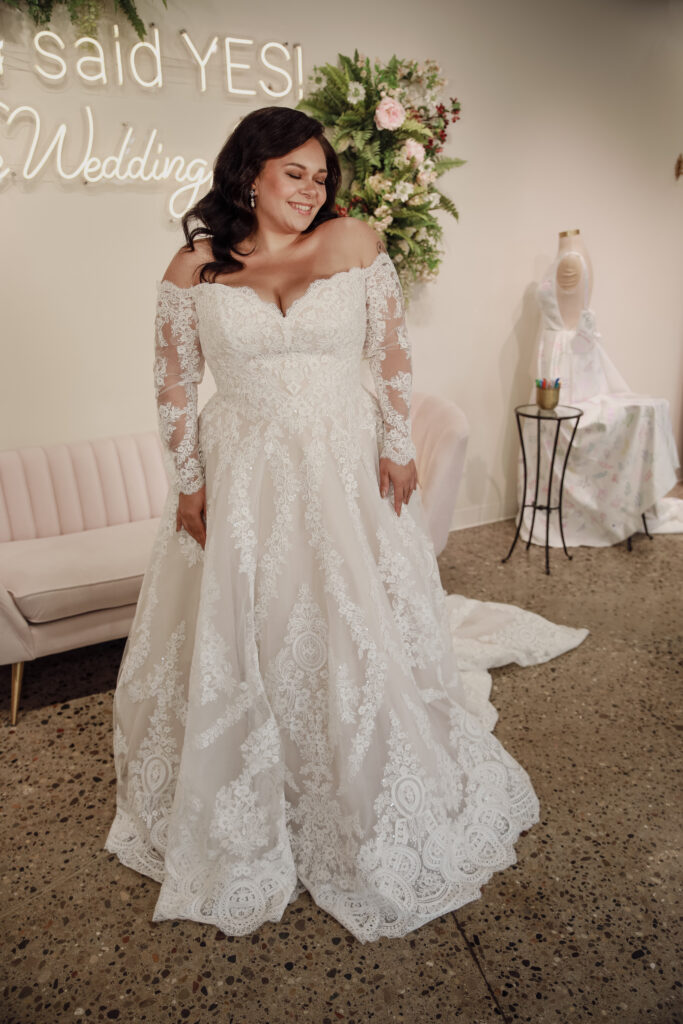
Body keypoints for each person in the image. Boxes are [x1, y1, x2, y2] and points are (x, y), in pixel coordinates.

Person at [104, 106, 587, 944]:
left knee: (347, 622)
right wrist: (189, 482)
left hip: (342, 465)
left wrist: (399, 446)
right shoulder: (193, 266)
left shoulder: (354, 242)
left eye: (320, 175)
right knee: (253, 626)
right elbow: (173, 384)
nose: (310, 188)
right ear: (249, 172)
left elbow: (390, 353)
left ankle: (363, 783)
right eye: (293, 172)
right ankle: (245, 790)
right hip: (243, 470)